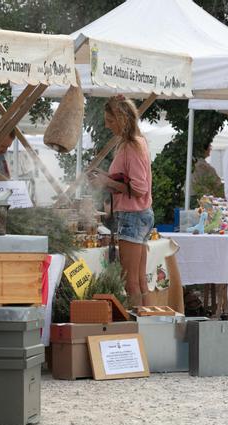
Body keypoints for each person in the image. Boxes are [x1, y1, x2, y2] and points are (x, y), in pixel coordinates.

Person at [89, 95, 154, 307]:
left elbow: (139, 188)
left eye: (110, 120)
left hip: (132, 216)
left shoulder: (131, 146)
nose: (107, 125)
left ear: (122, 119)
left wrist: (107, 182)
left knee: (131, 283)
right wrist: (107, 180)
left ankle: (137, 329)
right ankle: (148, 327)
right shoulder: (138, 142)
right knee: (141, 281)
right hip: (140, 214)